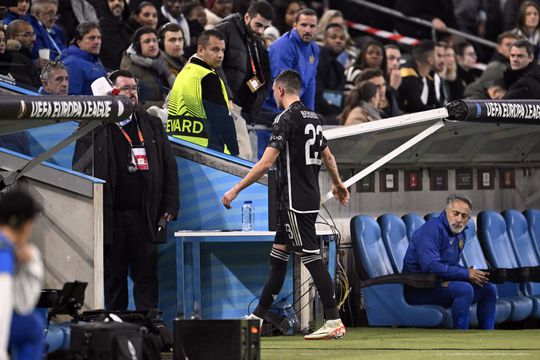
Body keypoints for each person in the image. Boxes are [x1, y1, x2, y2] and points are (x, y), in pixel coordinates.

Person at [222, 69, 349, 340]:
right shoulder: (314, 118)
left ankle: (333, 318)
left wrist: (235, 188)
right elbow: (328, 156)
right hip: (306, 197)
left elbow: (266, 162)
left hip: (294, 200)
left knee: (312, 258)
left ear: (279, 90)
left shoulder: (285, 118)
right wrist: (337, 184)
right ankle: (257, 316)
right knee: (278, 256)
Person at [73, 69, 179, 311]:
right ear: (112, 93)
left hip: (145, 215)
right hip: (110, 217)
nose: (132, 93)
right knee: (114, 279)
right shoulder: (93, 127)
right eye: (126, 89)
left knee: (147, 277)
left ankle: (148, 330)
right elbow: (78, 169)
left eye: (134, 89)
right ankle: (116, 328)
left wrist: (170, 205)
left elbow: (168, 167)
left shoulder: (151, 123)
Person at [402, 194, 497, 330]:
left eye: (464, 216)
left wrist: (469, 274)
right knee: (464, 289)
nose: (459, 219)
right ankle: (460, 336)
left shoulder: (461, 234)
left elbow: (451, 265)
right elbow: (431, 266)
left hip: (440, 285)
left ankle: (487, 336)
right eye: (456, 214)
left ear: (468, 219)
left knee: (488, 288)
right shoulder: (431, 229)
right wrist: (465, 274)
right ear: (446, 211)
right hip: (420, 289)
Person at [214, 0, 274, 160]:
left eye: (265, 27)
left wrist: (251, 109)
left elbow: (264, 79)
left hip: (243, 111)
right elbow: (213, 63)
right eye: (259, 25)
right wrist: (227, 96)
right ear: (247, 17)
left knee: (248, 157)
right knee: (243, 156)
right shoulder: (225, 29)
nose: (261, 31)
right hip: (224, 104)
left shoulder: (257, 43)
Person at [167, 29, 239, 156]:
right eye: (215, 50)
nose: (221, 55)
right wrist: (234, 152)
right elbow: (221, 119)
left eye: (223, 50)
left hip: (177, 145)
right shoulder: (207, 76)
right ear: (201, 50)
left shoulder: (184, 73)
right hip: (206, 151)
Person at [0, 189, 45, 360]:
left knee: (31, 325)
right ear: (26, 225)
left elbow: (21, 306)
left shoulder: (9, 251)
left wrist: (31, 259)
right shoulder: (3, 255)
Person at [262, 8, 319, 114]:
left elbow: (310, 86)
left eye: (312, 26)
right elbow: (281, 85)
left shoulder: (314, 49)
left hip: (291, 105)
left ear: (317, 29)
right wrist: (294, 113)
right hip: (270, 106)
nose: (307, 30)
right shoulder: (284, 46)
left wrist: (310, 113)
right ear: (295, 25)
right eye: (303, 25)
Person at [120, 26, 175, 104]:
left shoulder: (161, 63)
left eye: (155, 40)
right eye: (147, 41)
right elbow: (134, 104)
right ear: (138, 46)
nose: (152, 44)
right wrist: (164, 106)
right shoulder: (130, 70)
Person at [464, 32, 519, 100]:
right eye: (508, 45)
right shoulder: (496, 67)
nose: (512, 48)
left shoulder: (512, 67)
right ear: (499, 48)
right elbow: (491, 93)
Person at [61, 22, 106, 95]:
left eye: (99, 38)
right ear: (79, 42)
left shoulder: (95, 60)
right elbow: (72, 99)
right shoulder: (72, 63)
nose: (97, 42)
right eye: (92, 38)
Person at [315, 23, 346, 125]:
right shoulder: (317, 61)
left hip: (332, 112)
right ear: (324, 39)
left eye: (342, 38)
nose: (338, 41)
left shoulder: (340, 67)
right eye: (333, 37)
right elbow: (316, 98)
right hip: (317, 113)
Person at [399, 40, 441, 113]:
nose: (443, 60)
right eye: (439, 55)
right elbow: (416, 107)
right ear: (430, 60)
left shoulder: (428, 77)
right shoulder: (407, 74)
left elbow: (435, 104)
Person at [5, 19, 41, 88]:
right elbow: (28, 88)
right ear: (12, 37)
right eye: (27, 34)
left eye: (33, 34)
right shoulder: (14, 59)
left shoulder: (24, 56)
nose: (33, 39)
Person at [99, 0, 132, 70]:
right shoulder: (104, 27)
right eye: (111, 0)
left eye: (120, 0)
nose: (117, 3)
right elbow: (119, 57)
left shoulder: (127, 26)